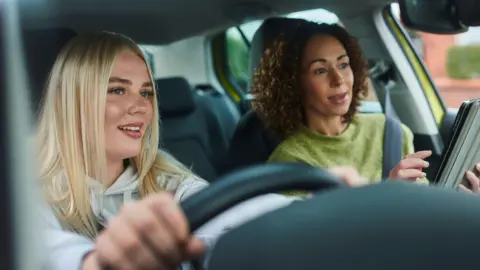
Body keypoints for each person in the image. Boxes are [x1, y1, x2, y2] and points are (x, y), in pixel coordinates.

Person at [37, 31, 366, 270]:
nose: (140, 107)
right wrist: (95, 262)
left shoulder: (161, 174)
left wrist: (308, 212)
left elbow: (227, 212)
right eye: (118, 90)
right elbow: (40, 251)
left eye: (147, 93)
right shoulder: (25, 191)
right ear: (74, 101)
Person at [251, 20, 432, 190]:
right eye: (320, 70)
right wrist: (388, 191)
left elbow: (425, 211)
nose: (339, 80)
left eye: (343, 64)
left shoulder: (391, 132)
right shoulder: (289, 161)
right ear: (293, 84)